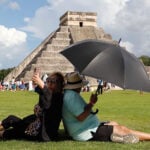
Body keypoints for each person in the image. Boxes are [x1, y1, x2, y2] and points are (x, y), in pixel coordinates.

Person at [62, 71, 150, 143]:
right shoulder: (71, 97)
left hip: (89, 127)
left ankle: (116, 137)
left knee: (114, 123)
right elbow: (81, 117)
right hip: (86, 132)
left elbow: (81, 111)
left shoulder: (71, 95)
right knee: (123, 130)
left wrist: (91, 103)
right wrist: (91, 104)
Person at [0, 71, 64, 142]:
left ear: (59, 84)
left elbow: (47, 104)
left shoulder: (58, 97)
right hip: (35, 126)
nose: (49, 83)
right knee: (12, 122)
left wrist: (42, 85)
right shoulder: (51, 95)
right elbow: (42, 95)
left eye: (53, 81)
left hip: (40, 132)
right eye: (48, 80)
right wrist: (37, 83)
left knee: (10, 126)